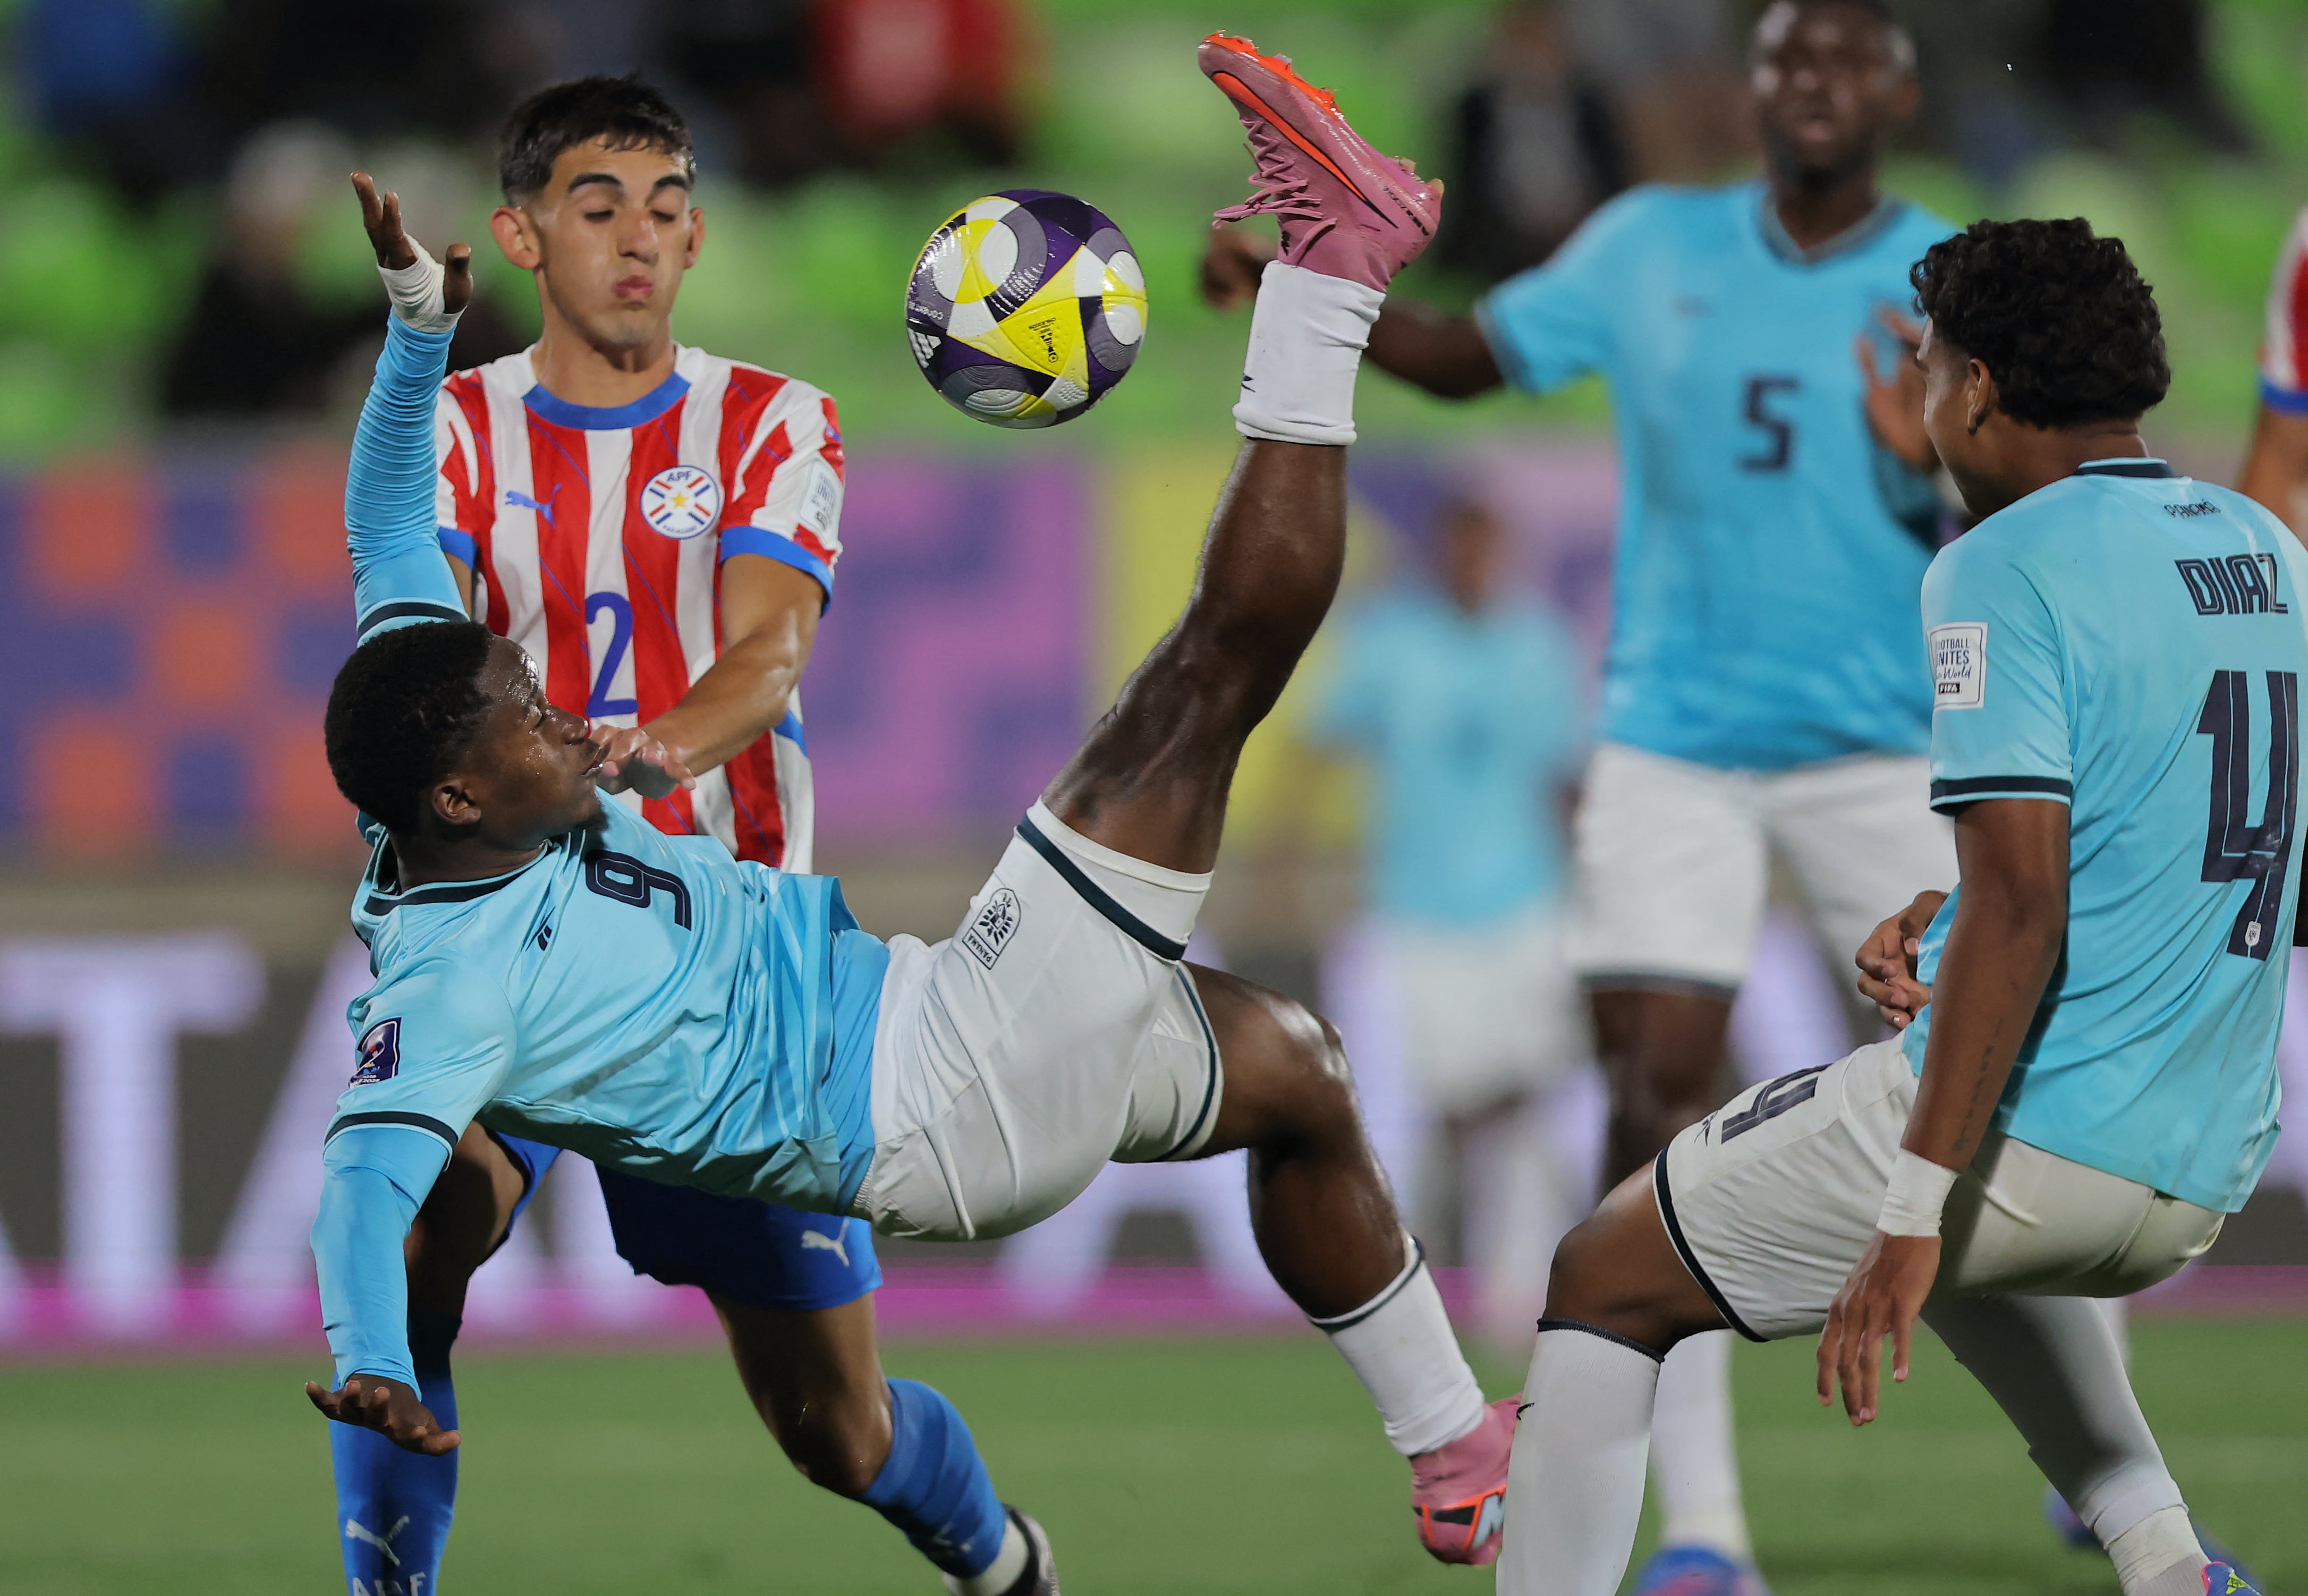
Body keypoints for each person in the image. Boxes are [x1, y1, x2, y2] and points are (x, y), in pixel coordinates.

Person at [306, 35, 1523, 1574]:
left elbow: (396, 532)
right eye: (530, 706)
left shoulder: (527, 726)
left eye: (666, 201)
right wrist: (359, 1340)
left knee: (1288, 1072)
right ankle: (1335, 275)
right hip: (931, 1090)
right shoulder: (459, 963)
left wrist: (416, 324)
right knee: (1202, 685)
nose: (559, 698)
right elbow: (363, 1159)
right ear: (466, 785)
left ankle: (1448, 1454)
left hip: (889, 1004)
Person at [1206, 4, 1949, 1590]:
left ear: (1897, 88)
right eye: (1783, 61)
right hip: (1675, 745)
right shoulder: (1647, 245)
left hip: (1885, 747)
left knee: (1989, 1088)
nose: (1810, 84)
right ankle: (1704, 1534)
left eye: (1842, 60)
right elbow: (1470, 360)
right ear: (1748, 93)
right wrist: (1306, 295)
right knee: (1645, 1110)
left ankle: (2113, 1481)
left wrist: (1935, 468)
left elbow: (2036, 468)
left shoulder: (1953, 270)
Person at [1493, 216, 2279, 1596]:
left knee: (1604, 1271)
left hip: (2049, 1139)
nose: (1914, 403)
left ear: (1976, 389)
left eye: (1925, 368)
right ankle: (2170, 1566)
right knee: (1990, 1230)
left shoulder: (1995, 564)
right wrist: (1962, 895)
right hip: (2207, 1163)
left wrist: (1908, 1215)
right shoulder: (2265, 548)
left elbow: (2023, 909)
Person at [325, 78, 1031, 1596]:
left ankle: (998, 1555)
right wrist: (409, 334)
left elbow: (771, 655)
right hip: (506, 932)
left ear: (699, 230)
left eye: (665, 206)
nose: (639, 238)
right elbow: (403, 593)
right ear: (521, 232)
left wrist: (657, 748)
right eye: (598, 205)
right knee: (418, 1226)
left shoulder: (776, 421)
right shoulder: (459, 434)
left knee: (836, 1432)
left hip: (720, 979)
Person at [1304, 500, 1589, 1348]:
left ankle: (1516, 1298)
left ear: (1500, 550)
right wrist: (1291, 855)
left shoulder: (1537, 642)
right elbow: (1319, 740)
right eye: (1457, 543)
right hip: (1411, 913)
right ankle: (1388, 1297)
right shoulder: (1391, 638)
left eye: (1483, 544)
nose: (1470, 560)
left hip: (1524, 904)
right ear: (1441, 549)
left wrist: (1595, 884)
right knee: (1395, 1117)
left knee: (1533, 1108)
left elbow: (1564, 774)